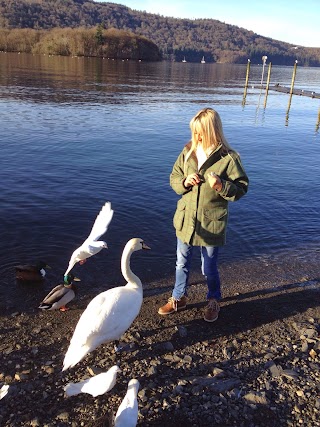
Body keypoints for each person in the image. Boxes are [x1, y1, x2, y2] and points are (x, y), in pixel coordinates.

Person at [158, 107, 249, 322]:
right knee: (181, 262)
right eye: (194, 132)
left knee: (208, 266)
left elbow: (241, 188)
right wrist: (184, 182)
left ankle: (213, 299)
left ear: (211, 131)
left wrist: (221, 185)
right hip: (186, 219)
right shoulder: (188, 151)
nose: (196, 136)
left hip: (211, 224)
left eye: (200, 132)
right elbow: (173, 178)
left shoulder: (229, 158)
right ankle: (179, 297)